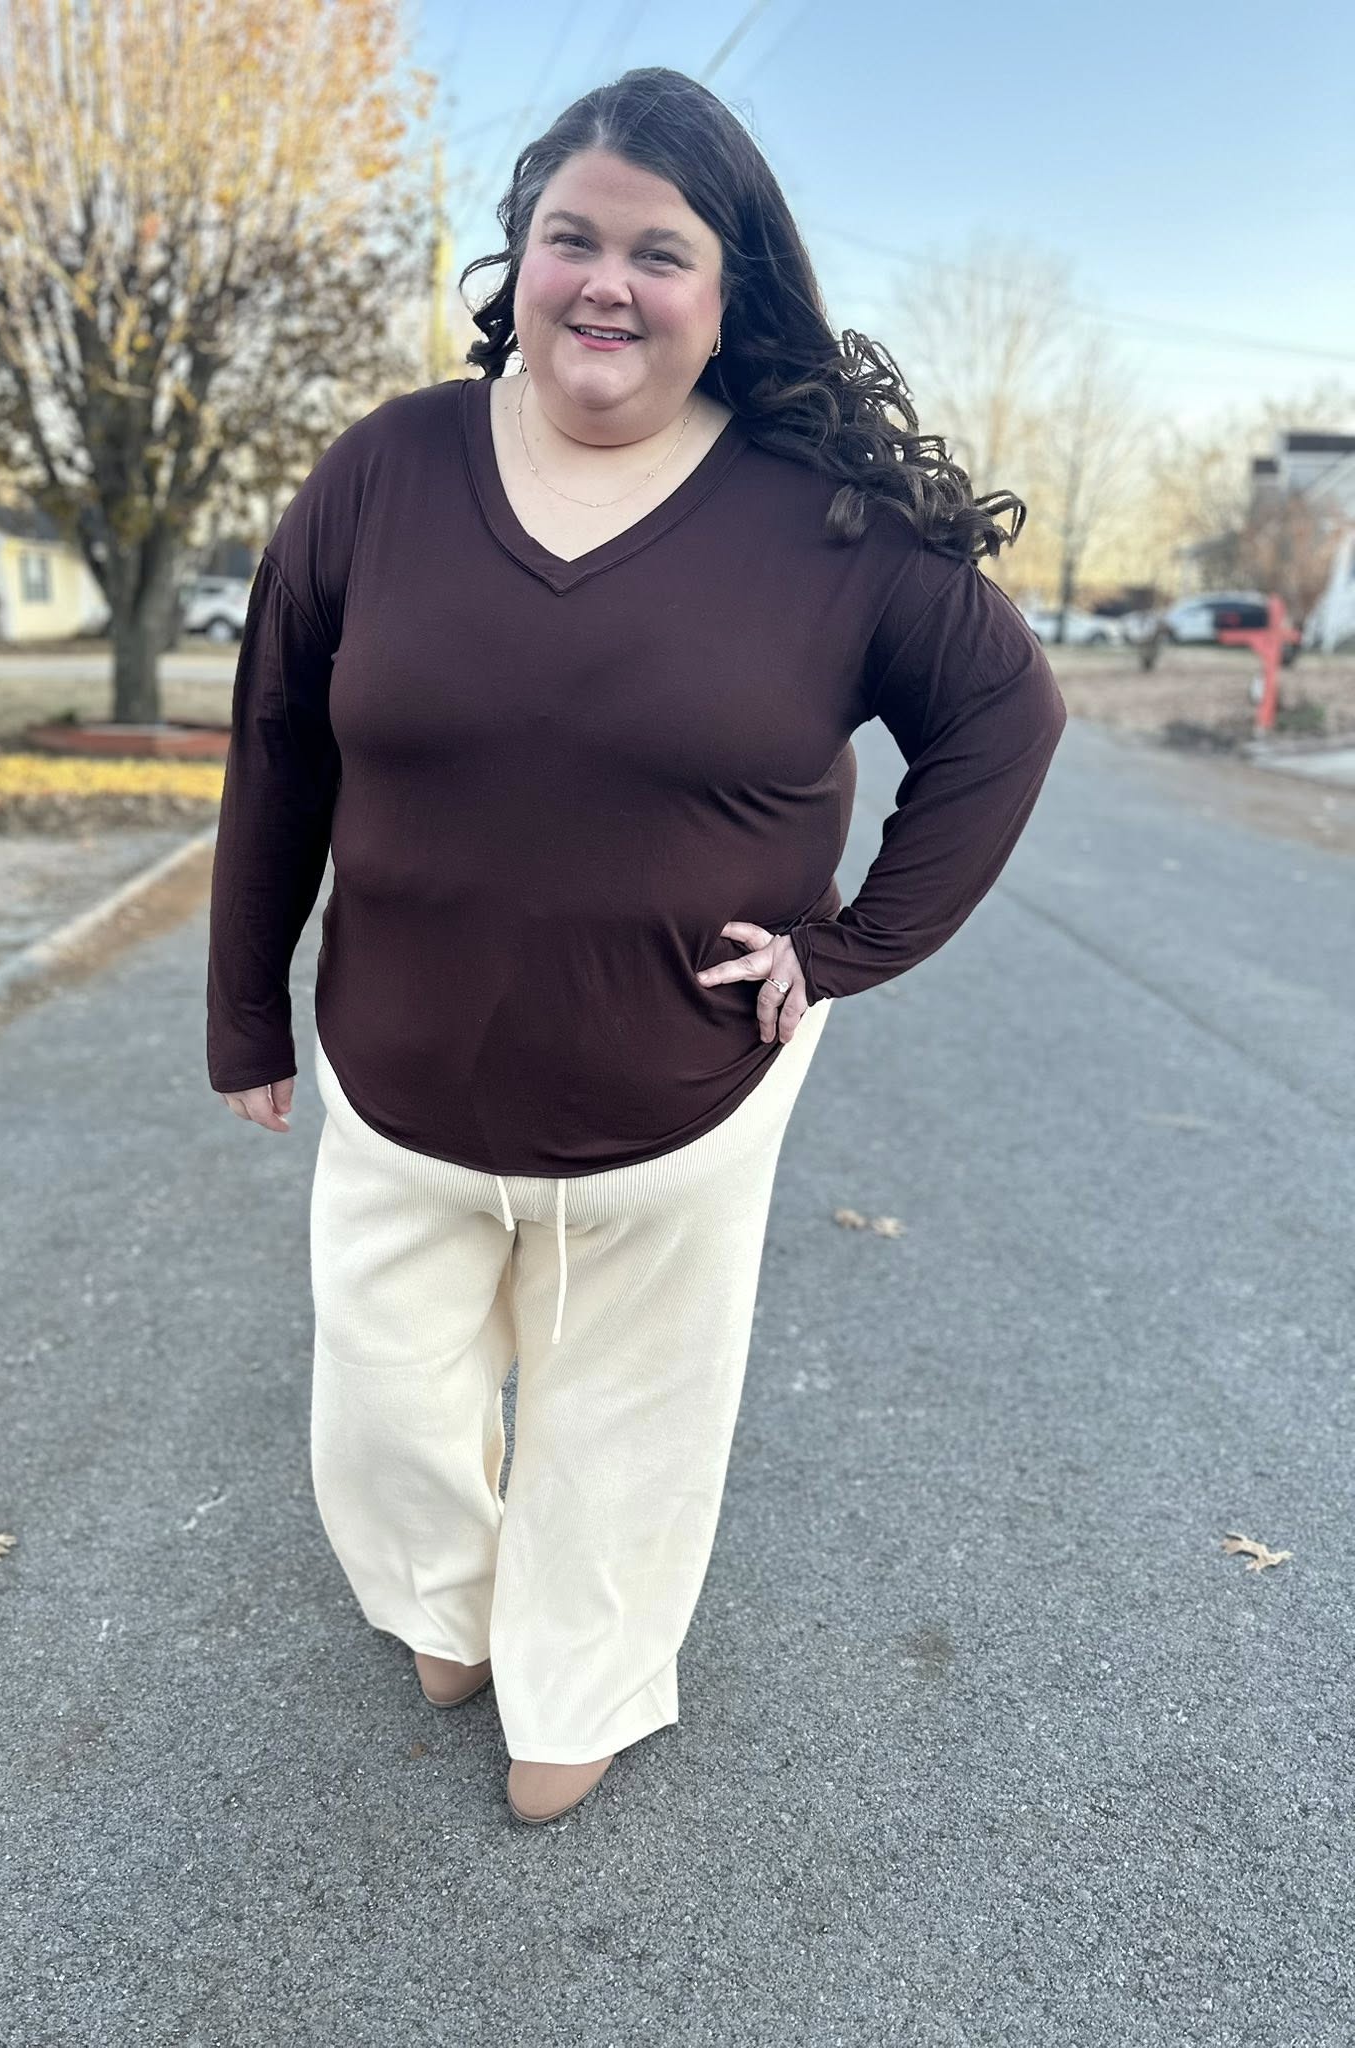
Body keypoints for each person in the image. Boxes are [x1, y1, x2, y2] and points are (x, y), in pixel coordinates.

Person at [205, 66, 1067, 1826]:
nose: (606, 281)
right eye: (570, 238)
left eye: (657, 252)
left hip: (681, 1091)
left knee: (626, 1425)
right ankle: (442, 1598)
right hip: (398, 1068)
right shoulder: (387, 472)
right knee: (386, 1401)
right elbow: (280, 735)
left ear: (727, 290)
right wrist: (244, 1011)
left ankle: (578, 1685)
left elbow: (1002, 718)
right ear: (517, 261)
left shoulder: (827, 518)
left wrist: (845, 949)